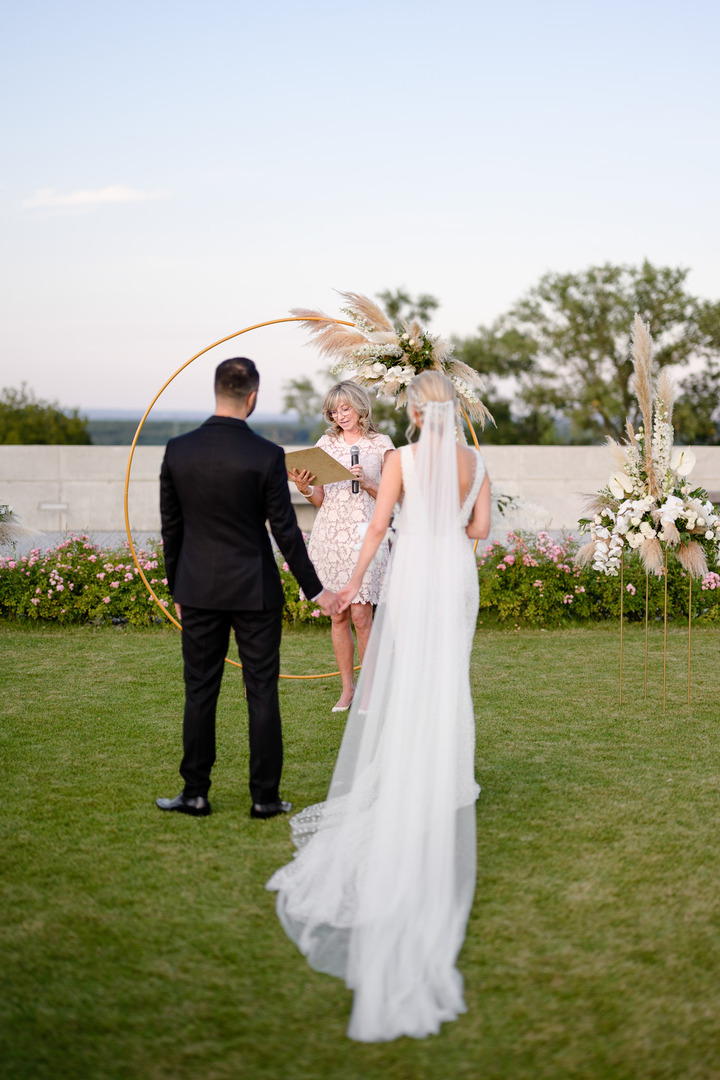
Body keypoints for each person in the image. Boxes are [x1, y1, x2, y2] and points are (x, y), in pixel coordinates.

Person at [267, 370, 492, 1041]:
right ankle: (449, 773)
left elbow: (378, 529)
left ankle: (409, 770)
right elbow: (481, 529)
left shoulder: (401, 458)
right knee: (448, 674)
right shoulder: (476, 461)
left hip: (418, 569)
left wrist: (353, 582)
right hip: (455, 571)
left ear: (414, 413)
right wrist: (453, 535)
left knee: (411, 670)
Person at [156, 357, 338, 820]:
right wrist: (317, 590)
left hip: (196, 588)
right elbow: (286, 531)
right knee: (261, 691)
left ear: (217, 391)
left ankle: (195, 793)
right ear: (252, 397)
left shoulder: (178, 450)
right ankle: (264, 798)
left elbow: (171, 529)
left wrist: (176, 584)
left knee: (199, 691)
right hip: (255, 590)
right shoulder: (266, 456)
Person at [287, 382, 394, 712]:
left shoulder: (381, 445)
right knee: (338, 615)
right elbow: (322, 500)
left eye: (345, 408)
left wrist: (368, 483)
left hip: (366, 535)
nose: (340, 415)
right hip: (330, 537)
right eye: (334, 411)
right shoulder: (326, 444)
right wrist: (304, 488)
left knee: (362, 615)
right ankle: (348, 690)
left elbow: (395, 498)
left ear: (360, 406)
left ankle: (371, 691)